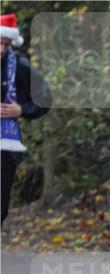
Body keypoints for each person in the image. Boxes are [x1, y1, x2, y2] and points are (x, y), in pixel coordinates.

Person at [1, 13, 51, 225]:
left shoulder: (19, 65)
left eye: (6, 44)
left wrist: (21, 110)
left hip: (5, 146)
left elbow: (45, 98)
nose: (2, 49)